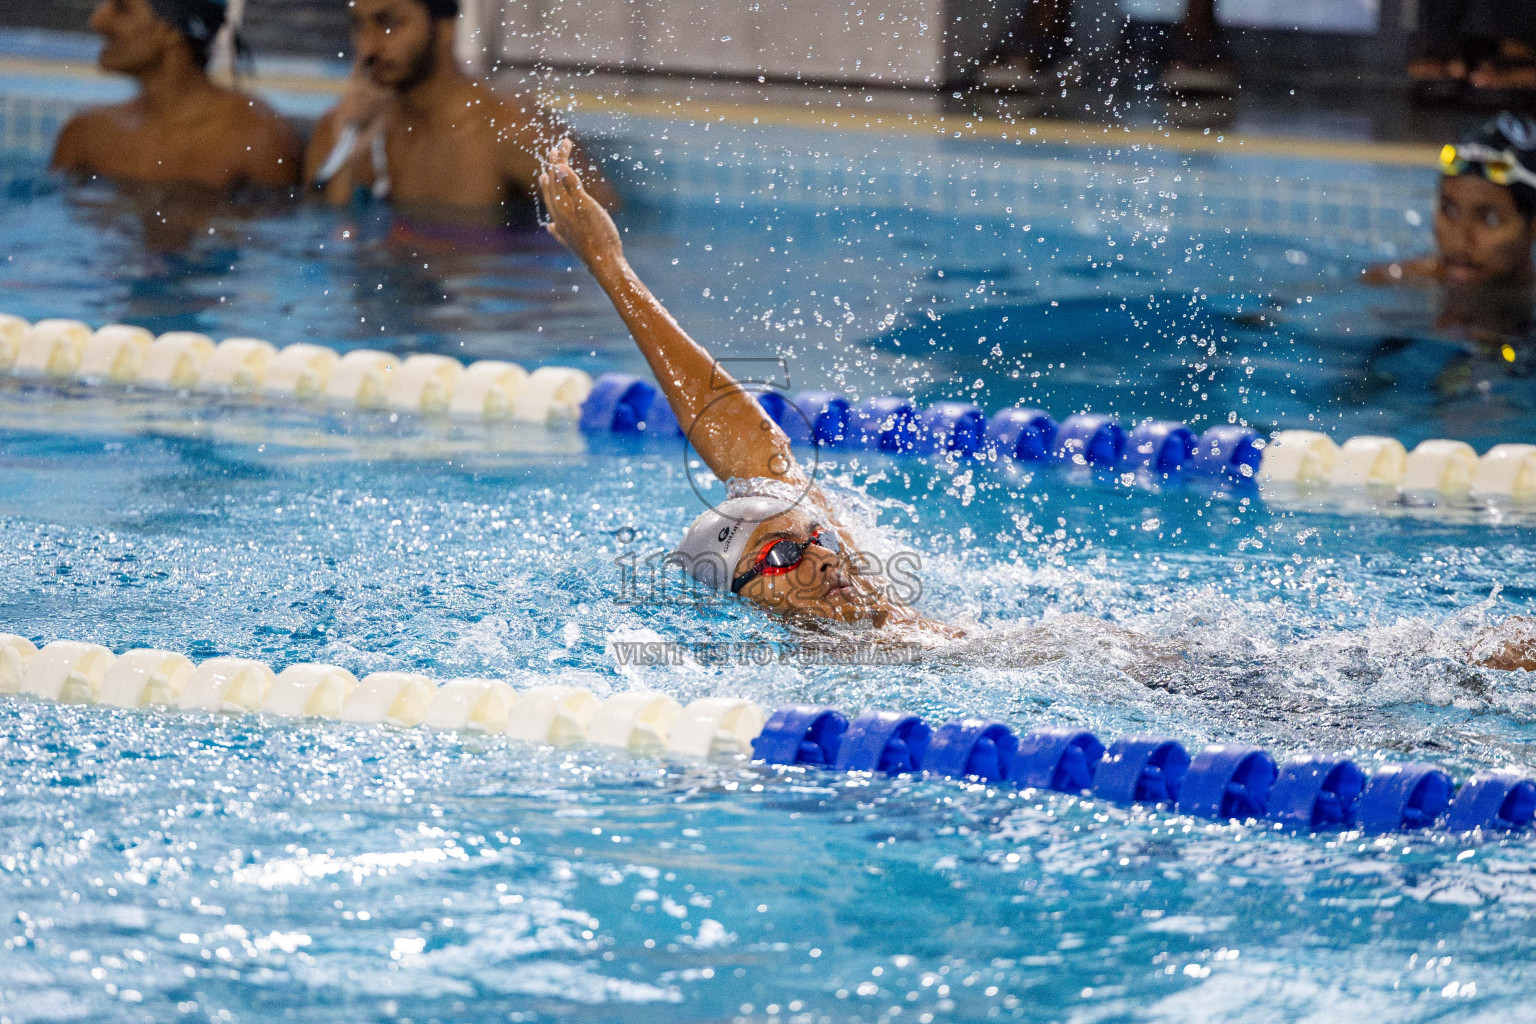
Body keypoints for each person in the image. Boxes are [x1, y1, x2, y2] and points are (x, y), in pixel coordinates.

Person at [535, 140, 1536, 669]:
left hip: (1188, 661)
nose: (822, 554)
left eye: (813, 533)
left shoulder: (871, 594)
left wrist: (610, 262)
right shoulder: (835, 672)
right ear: (751, 600)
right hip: (1199, 698)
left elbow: (733, 429)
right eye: (785, 555)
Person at [304, 0, 615, 231]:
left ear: (445, 29)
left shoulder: (511, 128)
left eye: (389, 23)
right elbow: (324, 239)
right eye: (359, 26)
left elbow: (606, 237)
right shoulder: (339, 128)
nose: (367, 46)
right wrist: (347, 147)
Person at [51, 0, 302, 190]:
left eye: (121, 8)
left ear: (171, 29)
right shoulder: (84, 135)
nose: (97, 21)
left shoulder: (255, 140)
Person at [1365, 115, 1536, 290]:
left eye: (1489, 219)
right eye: (1450, 210)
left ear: (1533, 226)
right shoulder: (1389, 282)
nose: (1459, 242)